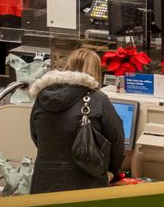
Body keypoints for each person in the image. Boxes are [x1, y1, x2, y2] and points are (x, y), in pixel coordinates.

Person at [29, 48, 125, 194]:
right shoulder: (98, 99)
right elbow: (117, 139)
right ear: (95, 70)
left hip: (44, 182)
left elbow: (35, 136)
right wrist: (112, 171)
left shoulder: (42, 96)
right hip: (86, 183)